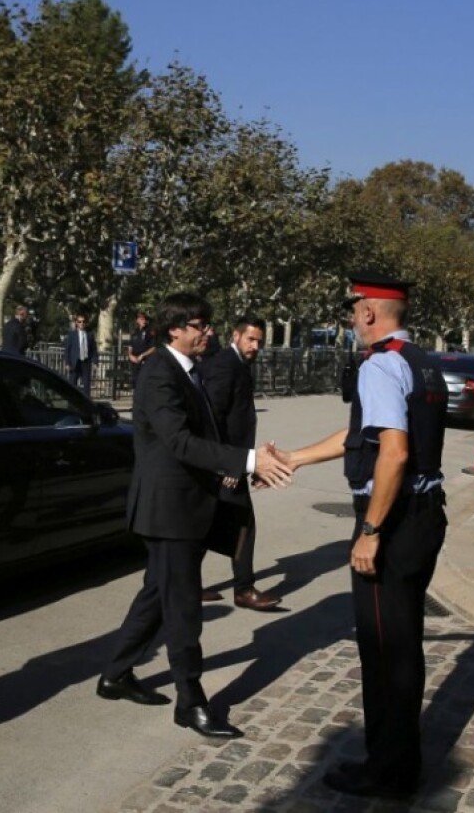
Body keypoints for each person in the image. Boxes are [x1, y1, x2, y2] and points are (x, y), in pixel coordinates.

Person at [277, 272, 448, 800]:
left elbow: (392, 452)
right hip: (424, 516)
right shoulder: (421, 360)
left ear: (370, 313)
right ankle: (397, 759)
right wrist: (296, 459)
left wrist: (370, 531)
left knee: (383, 651)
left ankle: (389, 770)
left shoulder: (380, 365)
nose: (353, 320)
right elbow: (364, 436)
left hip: (392, 521)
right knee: (402, 644)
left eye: (354, 311)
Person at [97, 292, 292, 740]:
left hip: (190, 507)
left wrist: (247, 463)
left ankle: (115, 675)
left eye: (209, 324)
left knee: (156, 594)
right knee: (183, 609)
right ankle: (191, 702)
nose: (209, 331)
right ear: (175, 330)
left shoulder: (191, 370)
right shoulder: (158, 373)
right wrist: (246, 462)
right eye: (200, 325)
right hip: (168, 512)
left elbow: (214, 431)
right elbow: (180, 442)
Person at [197, 315, 281, 611]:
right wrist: (229, 465)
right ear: (236, 336)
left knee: (207, 523)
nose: (256, 346)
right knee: (243, 523)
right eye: (251, 339)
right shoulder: (225, 364)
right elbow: (214, 418)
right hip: (226, 463)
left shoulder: (239, 364)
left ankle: (187, 583)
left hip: (232, 459)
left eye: (260, 341)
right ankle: (243, 589)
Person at [63, 314, 96, 395]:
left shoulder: (89, 335)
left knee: (86, 386)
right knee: (72, 385)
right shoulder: (72, 335)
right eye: (79, 321)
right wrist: (67, 363)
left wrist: (95, 362)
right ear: (76, 323)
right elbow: (67, 349)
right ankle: (71, 404)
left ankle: (86, 404)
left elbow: (94, 350)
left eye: (83, 322)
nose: (82, 323)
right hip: (75, 362)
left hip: (85, 362)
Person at [127, 310, 154, 387]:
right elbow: (130, 346)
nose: (144, 321)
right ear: (137, 320)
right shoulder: (134, 332)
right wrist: (130, 355)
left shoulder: (150, 331)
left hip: (145, 360)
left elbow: (154, 347)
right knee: (135, 381)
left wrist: (142, 355)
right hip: (135, 361)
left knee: (144, 382)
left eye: (145, 319)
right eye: (141, 319)